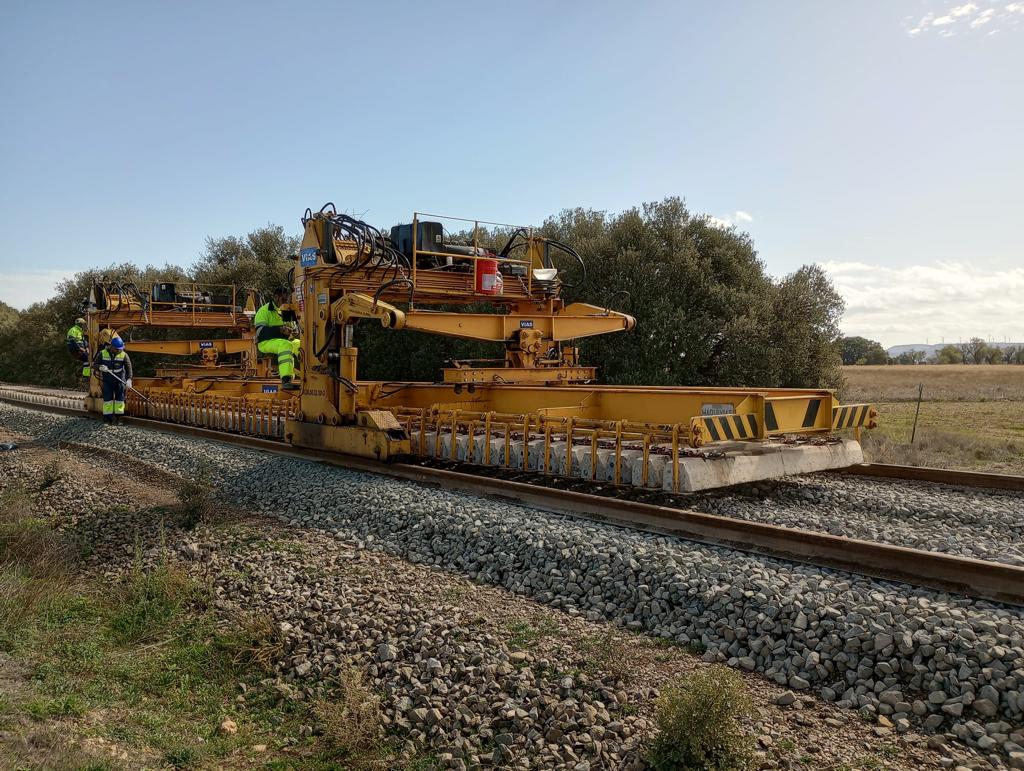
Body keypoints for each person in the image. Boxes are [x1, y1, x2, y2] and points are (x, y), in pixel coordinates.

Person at [254, 288, 300, 390]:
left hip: (285, 340)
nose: (285, 302)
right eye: (283, 300)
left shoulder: (287, 310)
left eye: (287, 300)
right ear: (275, 297)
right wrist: (279, 330)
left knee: (302, 344)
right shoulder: (264, 311)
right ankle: (286, 379)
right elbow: (260, 333)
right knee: (285, 345)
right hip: (265, 342)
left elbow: (294, 328)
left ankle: (308, 375)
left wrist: (293, 331)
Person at [94, 337, 132, 425]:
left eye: (120, 349)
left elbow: (129, 368)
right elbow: (94, 365)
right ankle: (108, 419)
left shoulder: (124, 355)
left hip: (120, 380)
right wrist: (100, 367)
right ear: (112, 347)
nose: (119, 350)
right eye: (118, 349)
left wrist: (129, 379)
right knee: (108, 400)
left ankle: (119, 418)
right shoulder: (102, 353)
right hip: (107, 380)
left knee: (120, 400)